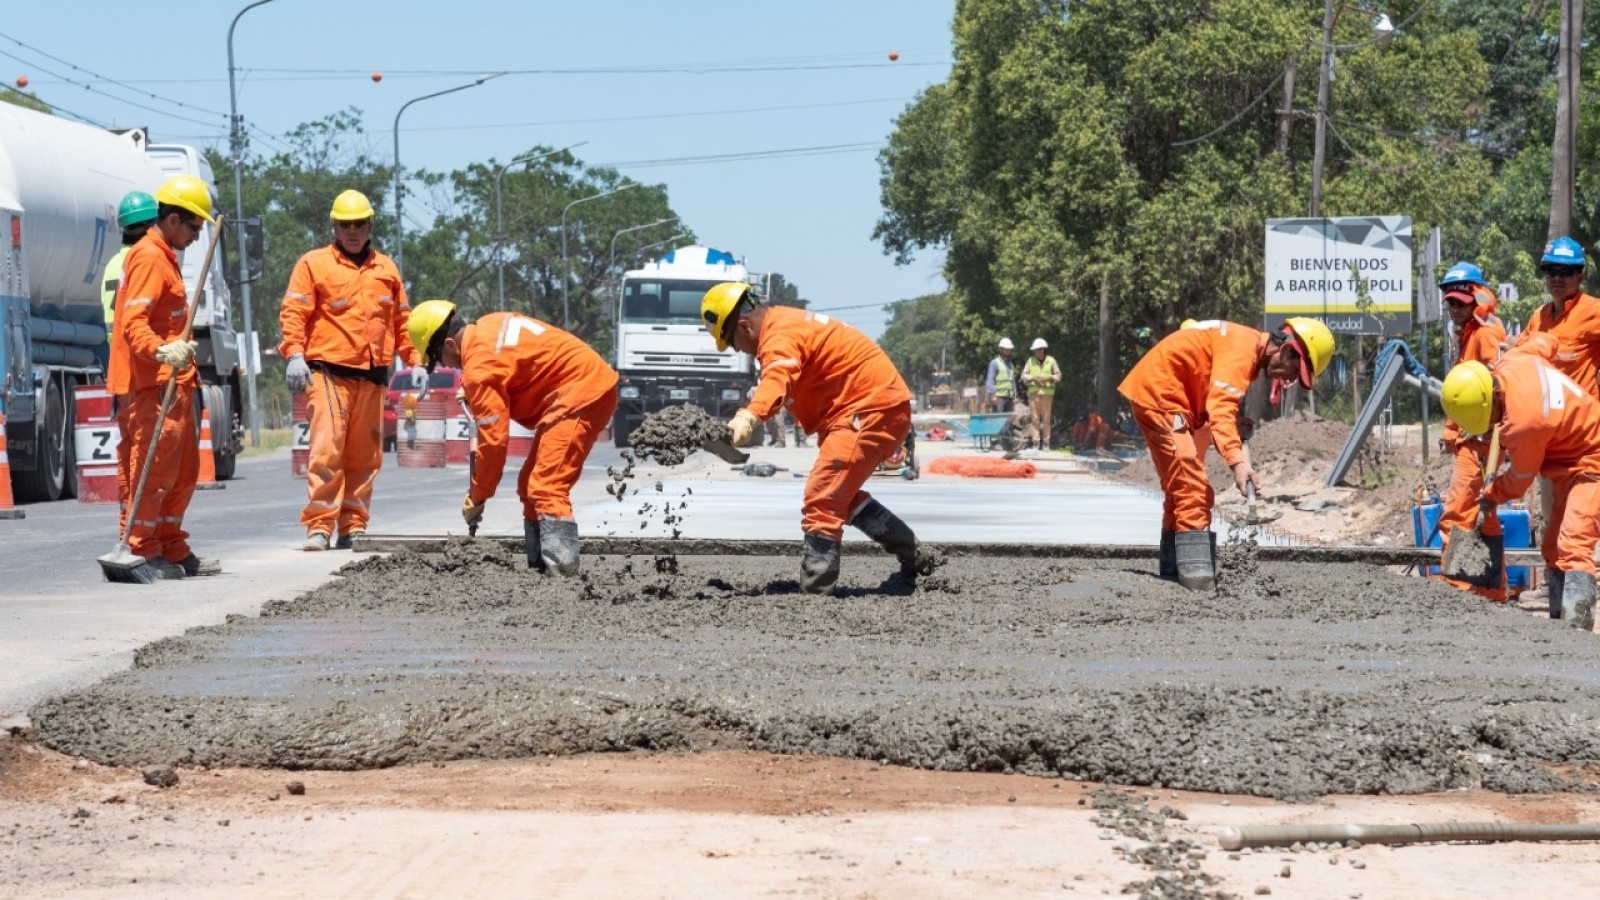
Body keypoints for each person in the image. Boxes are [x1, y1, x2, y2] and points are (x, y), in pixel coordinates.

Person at [700, 282, 936, 593]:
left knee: (823, 496)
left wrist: (749, 415)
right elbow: (785, 381)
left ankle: (816, 588)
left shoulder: (778, 336)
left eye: (732, 343)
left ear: (744, 326)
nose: (738, 350)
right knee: (841, 496)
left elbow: (777, 377)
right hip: (866, 408)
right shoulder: (784, 323)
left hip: (867, 409)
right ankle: (916, 557)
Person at [1118, 317, 1333, 590]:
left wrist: (1232, 426)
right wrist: (1238, 464)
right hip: (1162, 397)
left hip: (1169, 396)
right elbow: (1219, 409)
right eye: (1294, 372)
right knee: (1191, 487)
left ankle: (1174, 572)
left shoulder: (1245, 348)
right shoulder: (1241, 352)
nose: (1288, 379)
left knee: (1183, 490)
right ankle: (1197, 580)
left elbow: (1213, 398)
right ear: (1287, 350)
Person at [407, 300, 617, 575]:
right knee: (528, 483)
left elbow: (493, 444)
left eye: (439, 361)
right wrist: (472, 387)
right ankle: (539, 566)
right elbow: (505, 360)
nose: (446, 367)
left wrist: (478, 494)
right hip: (578, 387)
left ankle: (563, 576)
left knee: (546, 486)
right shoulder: (487, 325)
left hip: (580, 393)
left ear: (449, 345)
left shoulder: (480, 373)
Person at [279, 189, 419, 551]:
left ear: (370, 225)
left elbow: (402, 321)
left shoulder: (386, 269)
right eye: (345, 225)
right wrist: (295, 354)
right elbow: (294, 313)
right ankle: (320, 526)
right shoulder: (313, 264)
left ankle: (353, 525)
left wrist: (416, 361)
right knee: (327, 450)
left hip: (372, 376)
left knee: (365, 457)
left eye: (358, 224)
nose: (352, 231)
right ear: (334, 226)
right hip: (328, 373)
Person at [1441, 345, 1600, 630]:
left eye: (1489, 420)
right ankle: (1558, 624)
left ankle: (1578, 634)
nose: (1491, 426)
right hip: (1570, 461)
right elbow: (1545, 342)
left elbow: (1519, 480)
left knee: (1574, 543)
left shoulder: (1523, 424)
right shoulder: (1513, 359)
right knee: (1552, 547)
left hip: (1592, 462)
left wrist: (1490, 494)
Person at [106, 175, 215, 580]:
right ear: (172, 220)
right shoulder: (149, 257)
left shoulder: (164, 255)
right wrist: (159, 350)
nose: (196, 234)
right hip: (152, 383)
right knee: (152, 472)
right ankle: (142, 547)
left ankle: (170, 544)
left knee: (183, 471)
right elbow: (134, 322)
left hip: (174, 382)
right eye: (194, 226)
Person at [1429, 263, 1510, 601]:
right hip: (1474, 437)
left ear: (1476, 297)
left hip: (1481, 440)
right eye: (1450, 303)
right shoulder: (1469, 332)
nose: (1454, 309)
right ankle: (1491, 588)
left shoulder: (1486, 333)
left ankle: (1458, 587)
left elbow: (1497, 389)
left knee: (1458, 510)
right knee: (1483, 513)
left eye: (1460, 303)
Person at [102, 190, 159, 511]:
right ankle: (137, 524)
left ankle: (128, 515)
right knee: (143, 449)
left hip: (119, 364)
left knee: (128, 446)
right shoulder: (143, 259)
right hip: (140, 365)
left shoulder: (113, 264)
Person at [1022, 338, 1061, 449]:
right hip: (1033, 394)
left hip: (1047, 394)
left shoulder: (1051, 361)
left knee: (1046, 418)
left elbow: (1059, 376)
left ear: (1042, 350)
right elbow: (1023, 375)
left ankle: (1046, 443)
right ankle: (1035, 442)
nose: (1035, 353)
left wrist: (1050, 377)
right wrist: (1032, 378)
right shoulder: (1030, 361)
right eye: (1034, 351)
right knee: (1034, 418)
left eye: (1036, 350)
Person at [985, 338, 1017, 413]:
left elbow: (1012, 381)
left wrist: (1014, 396)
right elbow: (990, 380)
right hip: (998, 397)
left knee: (1008, 422)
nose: (1008, 351)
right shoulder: (994, 363)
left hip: (1009, 397)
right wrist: (993, 395)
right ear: (1001, 350)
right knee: (998, 420)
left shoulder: (1011, 365)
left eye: (1009, 349)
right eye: (1006, 349)